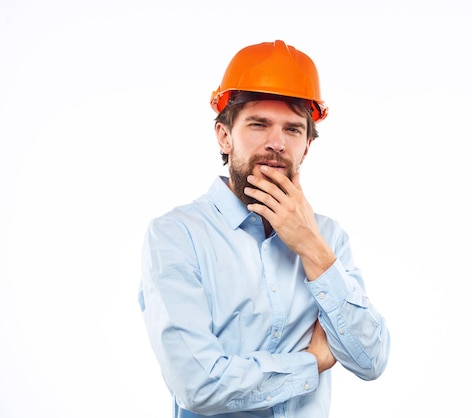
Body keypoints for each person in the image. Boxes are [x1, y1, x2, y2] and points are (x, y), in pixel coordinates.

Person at [138, 39, 391, 418]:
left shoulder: (328, 239)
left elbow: (371, 360)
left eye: (292, 130)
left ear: (306, 146)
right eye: (259, 124)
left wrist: (311, 248)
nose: (277, 143)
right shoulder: (176, 236)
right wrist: (313, 361)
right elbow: (199, 385)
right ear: (224, 135)